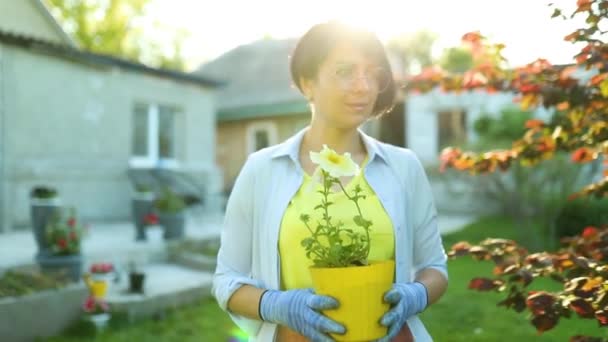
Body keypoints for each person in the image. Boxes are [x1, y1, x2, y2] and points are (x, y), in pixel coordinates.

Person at [212, 20, 448, 342]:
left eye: (372, 73)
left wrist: (415, 295)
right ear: (307, 83)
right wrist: (276, 305)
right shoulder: (261, 170)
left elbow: (435, 267)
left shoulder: (403, 167)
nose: (363, 86)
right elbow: (227, 280)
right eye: (345, 71)